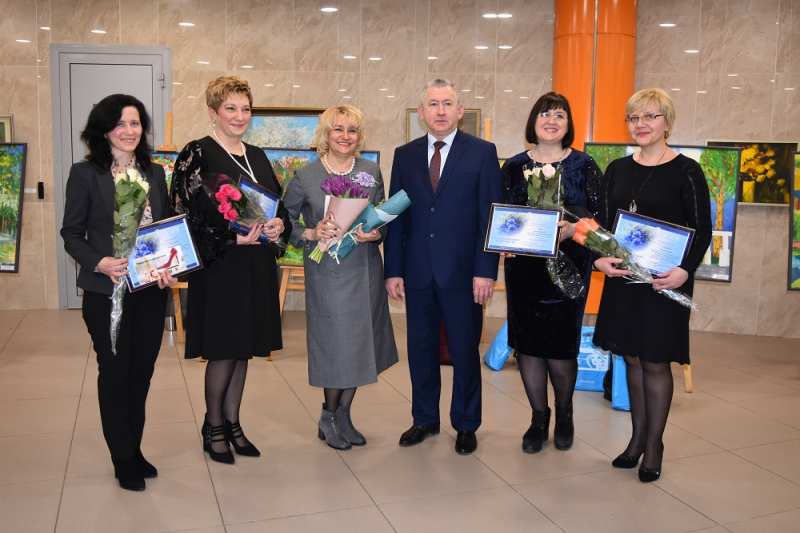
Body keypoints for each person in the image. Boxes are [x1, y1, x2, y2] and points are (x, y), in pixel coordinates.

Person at [593, 88, 711, 482]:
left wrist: (685, 270)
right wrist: (602, 258)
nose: (641, 125)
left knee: (655, 362)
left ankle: (654, 445)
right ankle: (636, 438)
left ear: (667, 122)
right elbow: (606, 226)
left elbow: (702, 229)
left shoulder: (687, 171)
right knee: (630, 358)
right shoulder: (617, 170)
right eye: (634, 118)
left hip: (665, 282)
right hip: (626, 281)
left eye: (650, 117)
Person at [171, 76, 290, 464]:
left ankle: (234, 424)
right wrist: (227, 238)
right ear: (213, 112)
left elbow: (277, 205)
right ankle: (213, 427)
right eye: (231, 108)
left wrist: (278, 225)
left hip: (255, 266)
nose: (240, 116)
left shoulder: (257, 155)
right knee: (223, 350)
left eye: (245, 108)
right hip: (221, 266)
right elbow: (183, 215)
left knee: (243, 351)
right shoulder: (197, 154)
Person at [61, 94, 176, 491]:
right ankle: (122, 456)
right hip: (104, 292)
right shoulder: (85, 174)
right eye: (122, 123)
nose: (130, 131)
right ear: (105, 129)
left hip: (148, 291)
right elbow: (71, 235)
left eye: (136, 123)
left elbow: (161, 231)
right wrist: (100, 262)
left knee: (141, 374)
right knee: (115, 373)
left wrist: (166, 269)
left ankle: (135, 448)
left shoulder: (155, 173)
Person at [384, 78, 503, 455]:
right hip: (417, 272)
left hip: (465, 274)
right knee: (420, 349)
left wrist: (486, 270)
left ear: (459, 111)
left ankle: (466, 423)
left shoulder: (483, 153)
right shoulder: (404, 155)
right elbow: (396, 214)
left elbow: (490, 215)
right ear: (421, 113)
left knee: (465, 350)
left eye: (446, 103)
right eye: (432, 104)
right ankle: (424, 419)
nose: (439, 111)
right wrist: (393, 269)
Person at [283, 105, 398, 449]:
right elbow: (283, 225)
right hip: (328, 273)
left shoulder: (370, 171)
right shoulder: (306, 175)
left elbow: (382, 216)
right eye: (338, 129)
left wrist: (376, 235)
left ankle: (343, 414)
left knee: (362, 345)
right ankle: (328, 414)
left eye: (352, 130)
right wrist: (312, 232)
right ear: (325, 135)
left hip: (364, 270)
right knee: (336, 348)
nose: (345, 136)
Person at [501, 92, 601, 454]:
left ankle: (565, 412)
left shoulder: (584, 165)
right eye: (545, 114)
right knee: (528, 348)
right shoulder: (513, 166)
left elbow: (597, 218)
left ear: (568, 124)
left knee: (560, 349)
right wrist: (509, 238)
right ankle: (538, 418)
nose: (552, 120)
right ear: (534, 121)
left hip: (569, 269)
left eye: (559, 115)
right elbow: (502, 215)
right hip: (524, 268)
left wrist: (571, 229)